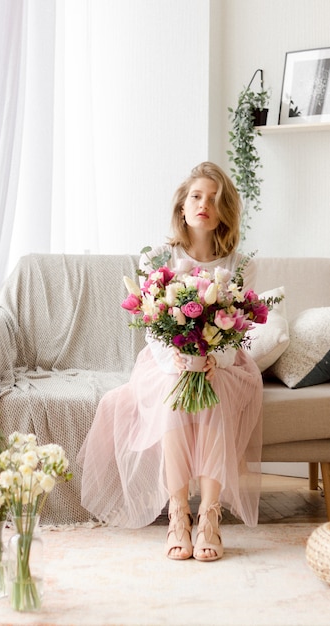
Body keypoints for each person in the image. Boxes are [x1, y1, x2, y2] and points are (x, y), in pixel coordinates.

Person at [77, 161, 263, 561]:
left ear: (224, 211)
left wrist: (217, 360)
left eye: (214, 199)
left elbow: (240, 326)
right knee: (178, 392)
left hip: (224, 362)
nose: (204, 204)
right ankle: (179, 516)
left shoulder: (238, 264)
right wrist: (177, 361)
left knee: (211, 390)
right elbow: (152, 324)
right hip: (168, 360)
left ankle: (209, 518)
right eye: (196, 196)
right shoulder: (159, 258)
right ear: (182, 206)